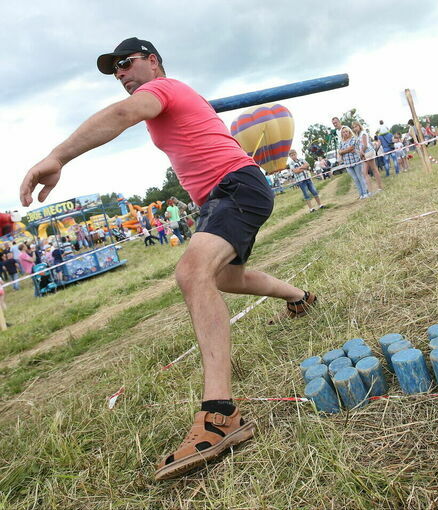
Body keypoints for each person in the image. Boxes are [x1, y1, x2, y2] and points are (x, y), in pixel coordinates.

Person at [18, 37, 317, 481]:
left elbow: (120, 115)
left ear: (153, 62)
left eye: (126, 63)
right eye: (113, 70)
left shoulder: (163, 90)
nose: (120, 73)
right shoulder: (170, 98)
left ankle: (220, 416)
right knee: (226, 278)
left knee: (192, 272)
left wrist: (57, 156)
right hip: (222, 194)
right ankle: (301, 297)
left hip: (237, 185)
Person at [351, 121, 383, 193]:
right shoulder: (358, 135)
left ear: (359, 126)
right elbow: (361, 146)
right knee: (364, 172)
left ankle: (380, 188)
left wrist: (361, 153)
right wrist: (360, 153)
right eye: (353, 127)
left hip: (368, 152)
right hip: (364, 154)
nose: (355, 128)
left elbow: (365, 145)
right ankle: (370, 191)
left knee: (374, 169)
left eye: (356, 126)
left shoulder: (363, 133)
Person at [338, 126, 369, 199]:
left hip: (356, 161)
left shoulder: (353, 139)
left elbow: (351, 148)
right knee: (355, 179)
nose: (345, 133)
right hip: (347, 164)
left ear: (349, 132)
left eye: (346, 131)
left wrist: (343, 151)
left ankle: (365, 193)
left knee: (360, 177)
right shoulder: (341, 142)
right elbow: (339, 152)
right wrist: (344, 151)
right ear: (342, 134)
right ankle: (361, 194)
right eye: (343, 132)